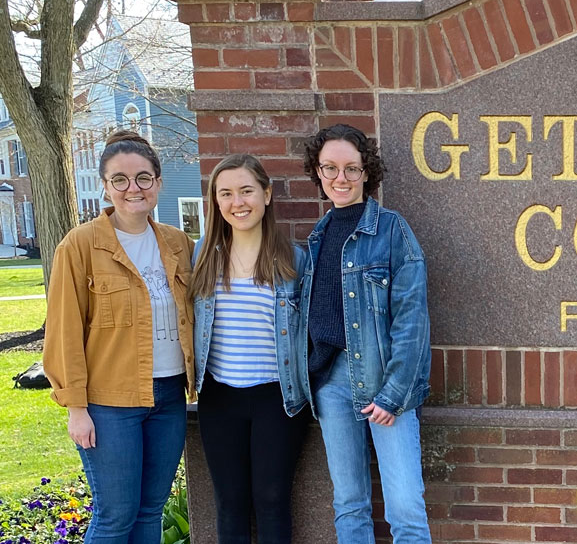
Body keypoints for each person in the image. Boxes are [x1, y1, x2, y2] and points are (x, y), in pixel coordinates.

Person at [44, 130, 195, 544]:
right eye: (120, 179)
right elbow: (63, 332)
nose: (133, 189)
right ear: (105, 186)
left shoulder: (178, 244)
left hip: (168, 397)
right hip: (109, 404)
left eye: (144, 178)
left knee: (150, 512)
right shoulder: (80, 246)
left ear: (158, 184)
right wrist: (76, 407)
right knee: (115, 516)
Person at [299, 123, 432, 543]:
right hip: (331, 385)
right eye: (331, 168)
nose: (341, 178)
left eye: (351, 169)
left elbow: (412, 320)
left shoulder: (392, 230)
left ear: (366, 172)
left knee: (405, 507)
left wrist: (393, 394)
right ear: (318, 173)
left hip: (384, 383)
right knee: (349, 504)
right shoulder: (317, 238)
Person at [191, 154, 309, 544]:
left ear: (267, 194)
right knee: (230, 501)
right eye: (226, 194)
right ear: (216, 202)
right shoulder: (202, 255)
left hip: (277, 396)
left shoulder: (294, 259)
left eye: (246, 191)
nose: (237, 202)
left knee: (272, 498)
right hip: (219, 396)